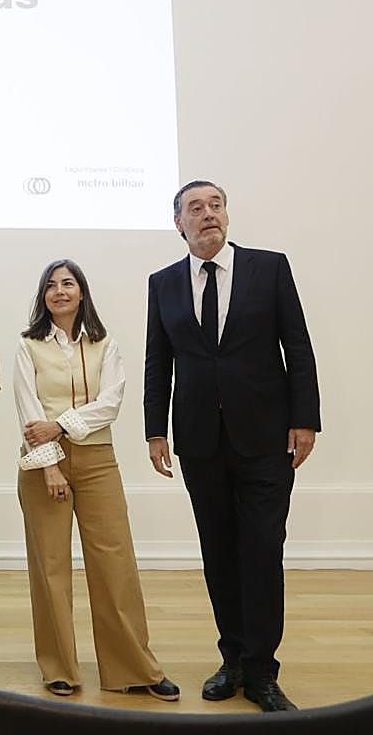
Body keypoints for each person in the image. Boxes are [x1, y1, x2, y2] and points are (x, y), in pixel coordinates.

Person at [145, 180, 320, 713]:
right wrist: (156, 431)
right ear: (180, 223)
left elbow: (298, 345)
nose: (208, 215)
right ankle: (234, 660)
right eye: (195, 208)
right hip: (200, 442)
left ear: (227, 215)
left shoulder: (269, 268)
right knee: (219, 554)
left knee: (262, 551)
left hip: (266, 438)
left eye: (216, 205)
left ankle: (264, 673)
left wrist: (305, 419)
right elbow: (159, 361)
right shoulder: (164, 282)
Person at [14, 259, 179, 701]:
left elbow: (111, 403)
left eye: (68, 283)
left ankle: (133, 669)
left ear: (82, 292)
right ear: (43, 297)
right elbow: (30, 415)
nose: (60, 291)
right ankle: (59, 668)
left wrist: (60, 425)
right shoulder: (27, 346)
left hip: (97, 460)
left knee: (115, 563)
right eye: (50, 285)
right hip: (41, 464)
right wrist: (49, 462)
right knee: (49, 567)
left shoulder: (106, 344)